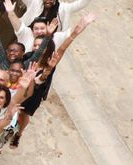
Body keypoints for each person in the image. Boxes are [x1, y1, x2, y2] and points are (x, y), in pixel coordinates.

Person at [11, 13, 95, 148]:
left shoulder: (50, 62)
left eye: (40, 46)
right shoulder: (28, 56)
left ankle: (18, 134)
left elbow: (61, 49)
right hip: (21, 88)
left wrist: (75, 33)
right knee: (12, 109)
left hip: (35, 93)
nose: (36, 48)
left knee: (24, 114)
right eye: (35, 45)